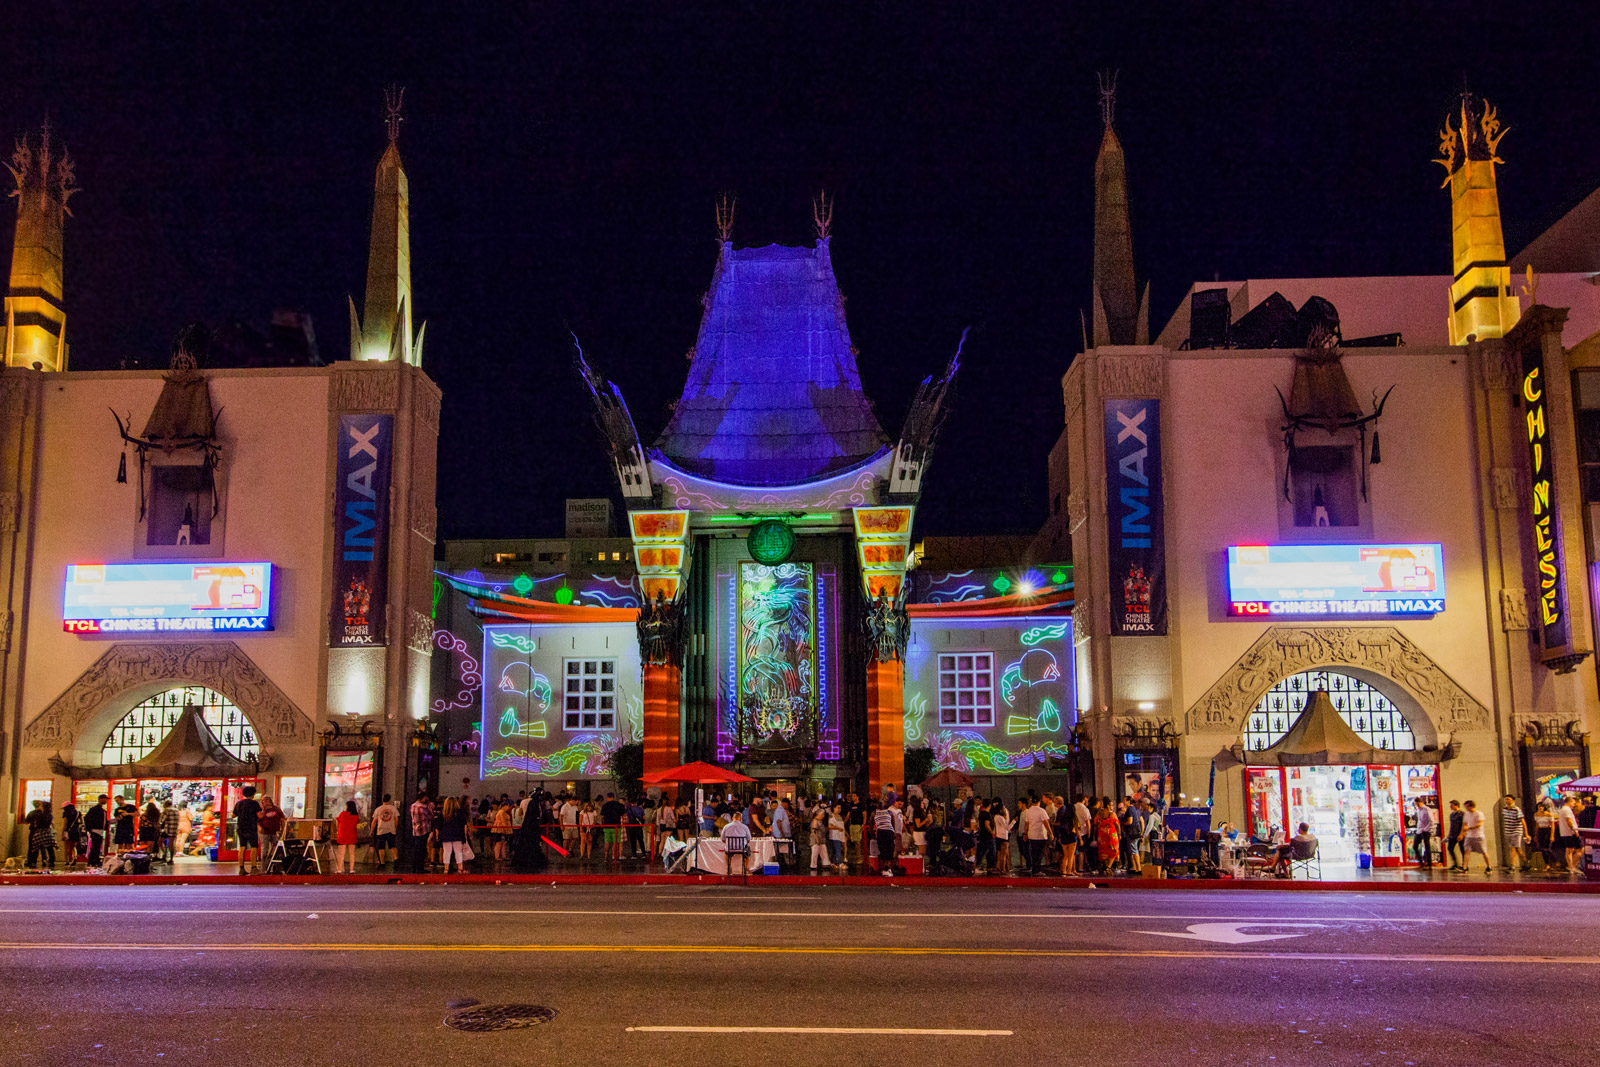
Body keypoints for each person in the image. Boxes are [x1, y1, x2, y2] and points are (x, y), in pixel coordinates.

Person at [233, 786, 262, 874]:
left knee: (242, 847)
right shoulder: (254, 803)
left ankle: (241, 868)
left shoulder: (239, 803)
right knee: (254, 847)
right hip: (251, 828)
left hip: (241, 828)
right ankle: (253, 867)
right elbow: (260, 815)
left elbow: (233, 815)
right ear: (253, 794)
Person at [1017, 796, 1050, 875]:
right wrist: (1051, 832)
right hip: (1040, 834)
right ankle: (1036, 869)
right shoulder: (1042, 810)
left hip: (1031, 834)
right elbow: (1046, 822)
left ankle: (1034, 867)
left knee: (1034, 852)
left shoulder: (1029, 811)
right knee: (1039, 853)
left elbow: (1026, 823)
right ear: (1039, 802)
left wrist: (1025, 833)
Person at [439, 797, 470, 873]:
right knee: (458, 851)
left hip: (446, 834)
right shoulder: (460, 812)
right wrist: (465, 834)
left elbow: (438, 824)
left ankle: (446, 869)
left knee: (447, 851)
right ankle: (460, 868)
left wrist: (438, 835)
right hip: (457, 834)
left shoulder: (443, 812)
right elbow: (464, 824)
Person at [1499, 795, 1529, 872]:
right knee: (1517, 849)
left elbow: (1523, 821)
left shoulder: (1516, 809)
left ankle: (1512, 866)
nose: (1506, 801)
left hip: (1516, 831)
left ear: (1513, 801)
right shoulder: (1504, 809)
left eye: (1508, 799)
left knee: (1514, 848)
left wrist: (1526, 833)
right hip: (1508, 831)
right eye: (1506, 799)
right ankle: (1526, 863)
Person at [330, 799, 361, 874]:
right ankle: (351, 869)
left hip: (342, 835)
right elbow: (355, 824)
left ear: (347, 807)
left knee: (341, 853)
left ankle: (339, 869)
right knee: (352, 853)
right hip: (352, 835)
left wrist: (337, 829)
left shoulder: (342, 814)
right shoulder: (355, 816)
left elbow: (337, 821)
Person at [1460, 800, 1490, 873]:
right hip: (1469, 836)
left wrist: (1469, 828)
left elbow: (1479, 824)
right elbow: (1464, 824)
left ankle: (1489, 867)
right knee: (1467, 851)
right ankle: (1465, 867)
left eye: (1466, 807)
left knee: (1484, 851)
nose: (1466, 808)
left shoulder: (1479, 814)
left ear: (1471, 806)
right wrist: (1462, 832)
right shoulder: (1466, 814)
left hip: (1478, 835)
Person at [371, 794, 401, 868]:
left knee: (381, 848)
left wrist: (371, 830)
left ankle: (382, 863)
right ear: (389, 800)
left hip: (381, 830)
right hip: (391, 830)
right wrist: (394, 828)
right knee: (393, 846)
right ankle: (396, 860)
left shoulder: (378, 809)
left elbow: (374, 821)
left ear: (382, 799)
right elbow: (396, 820)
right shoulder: (393, 809)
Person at [1556, 796, 1583, 874]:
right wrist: (1574, 830)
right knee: (1575, 849)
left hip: (1566, 832)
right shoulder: (1566, 810)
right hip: (1569, 832)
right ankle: (1571, 866)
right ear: (1569, 802)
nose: (1574, 804)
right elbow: (1569, 821)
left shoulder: (1563, 810)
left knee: (1572, 849)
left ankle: (1572, 866)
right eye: (1573, 802)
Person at [408, 793, 434, 872]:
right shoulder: (423, 807)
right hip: (423, 830)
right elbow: (431, 816)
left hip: (415, 830)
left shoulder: (413, 806)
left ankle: (414, 867)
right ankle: (420, 868)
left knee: (416, 849)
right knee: (421, 850)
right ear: (423, 798)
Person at [257, 797, 285, 871]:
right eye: (263, 801)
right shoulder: (261, 811)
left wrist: (283, 830)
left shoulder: (276, 809)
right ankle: (264, 867)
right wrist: (259, 827)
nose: (265, 802)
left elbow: (282, 819)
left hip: (274, 832)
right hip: (264, 832)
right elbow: (257, 820)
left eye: (267, 800)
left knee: (277, 849)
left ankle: (276, 866)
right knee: (264, 850)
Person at [24, 800, 53, 869]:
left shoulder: (32, 813)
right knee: (46, 847)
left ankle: (32, 861)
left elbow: (27, 821)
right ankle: (45, 859)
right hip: (46, 831)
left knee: (33, 847)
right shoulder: (48, 814)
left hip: (34, 831)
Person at [599, 793, 626, 863]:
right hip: (616, 826)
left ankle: (606, 857)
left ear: (607, 797)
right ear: (613, 797)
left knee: (607, 842)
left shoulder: (605, 805)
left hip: (607, 826)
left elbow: (602, 816)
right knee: (615, 842)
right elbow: (623, 814)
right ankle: (615, 857)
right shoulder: (619, 805)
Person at [1410, 797, 1435, 870]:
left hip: (1425, 830)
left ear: (1419, 802)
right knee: (1415, 846)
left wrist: (1426, 829)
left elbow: (1432, 821)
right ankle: (1421, 862)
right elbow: (1420, 821)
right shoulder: (1418, 810)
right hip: (1419, 830)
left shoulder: (1427, 809)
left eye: (1416, 803)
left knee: (1427, 847)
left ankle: (1429, 864)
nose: (1416, 805)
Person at [1445, 800, 1465, 871]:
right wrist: (1448, 835)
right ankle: (1455, 863)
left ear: (1456, 805)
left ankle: (1464, 865)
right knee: (1450, 848)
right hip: (1453, 834)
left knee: (1462, 850)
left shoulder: (1462, 814)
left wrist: (1462, 834)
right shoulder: (1451, 815)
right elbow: (1452, 825)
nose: (1450, 807)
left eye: (1452, 805)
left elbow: (1464, 825)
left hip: (1459, 834)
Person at [60, 801, 83, 867]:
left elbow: (65, 824)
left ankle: (67, 861)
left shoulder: (66, 813)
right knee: (73, 847)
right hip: (76, 831)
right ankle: (74, 857)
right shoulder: (78, 813)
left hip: (68, 831)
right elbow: (81, 822)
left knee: (67, 847)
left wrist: (63, 833)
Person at [808, 808, 831, 873]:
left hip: (822, 839)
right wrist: (817, 839)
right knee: (815, 852)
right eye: (822, 814)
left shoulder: (820, 821)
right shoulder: (815, 821)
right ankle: (813, 865)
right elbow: (814, 830)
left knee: (823, 852)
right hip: (816, 839)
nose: (823, 816)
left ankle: (825, 863)